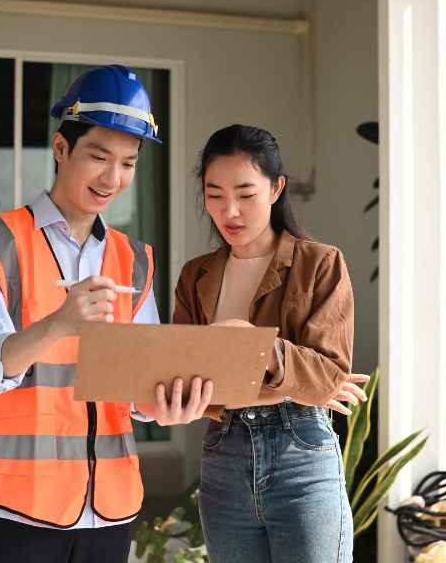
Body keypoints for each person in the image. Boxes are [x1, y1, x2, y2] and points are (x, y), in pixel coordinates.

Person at [0, 65, 213, 563]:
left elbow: (139, 385)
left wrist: (168, 406)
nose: (113, 178)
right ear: (61, 148)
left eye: (129, 163)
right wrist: (60, 325)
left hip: (109, 506)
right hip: (16, 508)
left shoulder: (133, 257)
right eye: (98, 156)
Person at [173, 124, 367, 563]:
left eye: (246, 193)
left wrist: (254, 346)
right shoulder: (195, 276)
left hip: (302, 454)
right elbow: (184, 378)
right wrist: (296, 380)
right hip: (224, 455)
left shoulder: (320, 263)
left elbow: (328, 372)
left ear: (277, 188)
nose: (230, 210)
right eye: (214, 194)